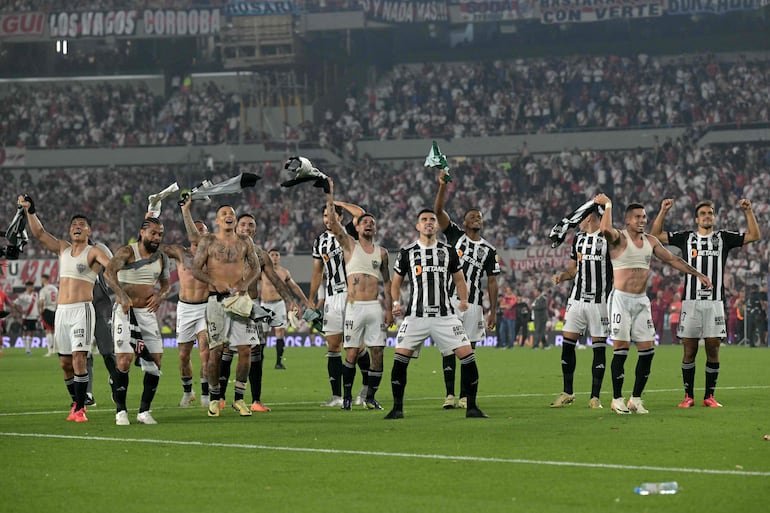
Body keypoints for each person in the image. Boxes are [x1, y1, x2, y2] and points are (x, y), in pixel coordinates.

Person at [594, 194, 712, 415]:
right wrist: (608, 205)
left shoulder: (651, 241)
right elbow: (604, 230)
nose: (642, 220)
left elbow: (673, 259)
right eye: (638, 217)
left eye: (644, 216)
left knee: (647, 351)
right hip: (620, 299)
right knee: (621, 349)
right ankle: (617, 399)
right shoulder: (619, 237)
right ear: (628, 220)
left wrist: (698, 274)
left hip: (641, 301)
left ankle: (636, 399)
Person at [652, 197, 760, 407]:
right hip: (691, 302)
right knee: (689, 350)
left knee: (713, 349)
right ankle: (688, 396)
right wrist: (663, 211)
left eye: (710, 213)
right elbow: (656, 235)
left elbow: (755, 235)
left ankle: (709, 396)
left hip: (715, 302)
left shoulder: (723, 238)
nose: (707, 216)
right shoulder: (686, 238)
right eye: (703, 213)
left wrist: (748, 211)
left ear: (714, 217)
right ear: (696, 219)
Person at [19, 194, 112, 423]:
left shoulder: (93, 251)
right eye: (73, 225)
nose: (77, 227)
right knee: (65, 363)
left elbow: (111, 265)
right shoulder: (63, 248)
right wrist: (30, 211)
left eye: (82, 225)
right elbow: (40, 234)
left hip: (82, 310)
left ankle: (80, 409)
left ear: (89, 231)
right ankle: (76, 401)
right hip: (62, 312)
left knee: (80, 357)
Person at [386, 208, 487, 420]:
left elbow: (459, 279)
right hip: (415, 316)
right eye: (424, 220)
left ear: (437, 225)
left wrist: (464, 300)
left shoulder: (448, 250)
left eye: (432, 219)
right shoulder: (407, 252)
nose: (429, 222)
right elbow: (395, 283)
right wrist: (395, 303)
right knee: (399, 360)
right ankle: (397, 408)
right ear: (417, 226)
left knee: (468, 356)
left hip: (445, 316)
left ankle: (472, 407)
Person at [433, 168, 500, 409]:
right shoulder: (454, 236)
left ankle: (464, 397)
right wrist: (442, 185)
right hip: (450, 300)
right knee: (449, 348)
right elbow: (438, 211)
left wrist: (493, 310)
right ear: (463, 222)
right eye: (472, 215)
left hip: (473, 305)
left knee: (468, 351)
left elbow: (492, 281)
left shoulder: (489, 250)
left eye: (480, 216)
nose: (477, 218)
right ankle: (449, 395)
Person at [326, 177, 393, 410]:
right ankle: (346, 397)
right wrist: (332, 196)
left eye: (372, 223)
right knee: (352, 354)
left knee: (378, 354)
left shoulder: (382, 252)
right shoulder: (349, 245)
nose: (368, 224)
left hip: (375, 307)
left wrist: (390, 309)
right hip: (354, 306)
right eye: (364, 222)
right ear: (356, 227)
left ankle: (370, 397)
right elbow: (334, 223)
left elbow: (387, 282)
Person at [192, 205, 262, 418]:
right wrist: (213, 280)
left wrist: (245, 283)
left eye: (231, 213)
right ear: (217, 220)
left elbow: (256, 268)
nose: (228, 216)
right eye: (224, 214)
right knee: (215, 351)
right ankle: (215, 398)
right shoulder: (208, 242)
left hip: (240, 301)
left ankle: (239, 398)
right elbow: (195, 269)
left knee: (245, 351)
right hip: (217, 301)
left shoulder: (245, 241)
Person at [105, 217, 171, 425]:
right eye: (153, 233)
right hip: (125, 312)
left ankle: (144, 411)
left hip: (148, 314)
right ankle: (121, 411)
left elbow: (167, 284)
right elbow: (108, 272)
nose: (157, 237)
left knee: (156, 361)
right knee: (124, 360)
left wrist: (160, 296)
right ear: (142, 233)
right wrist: (122, 295)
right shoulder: (127, 252)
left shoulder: (161, 257)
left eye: (160, 234)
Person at [230, 212, 299, 413]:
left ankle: (255, 400)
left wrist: (289, 301)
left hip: (250, 305)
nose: (247, 228)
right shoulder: (224, 250)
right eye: (243, 225)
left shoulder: (261, 255)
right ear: (236, 227)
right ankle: (217, 399)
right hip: (225, 304)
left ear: (255, 229)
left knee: (255, 351)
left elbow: (276, 281)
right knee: (222, 353)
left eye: (251, 225)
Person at [549, 209, 612, 409]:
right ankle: (568, 392)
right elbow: (573, 268)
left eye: (580, 220)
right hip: (576, 299)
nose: (578, 225)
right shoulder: (578, 239)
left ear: (588, 217)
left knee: (599, 348)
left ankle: (595, 397)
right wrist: (562, 275)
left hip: (599, 301)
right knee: (568, 344)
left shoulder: (608, 237)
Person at [308, 197, 368, 407]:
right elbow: (317, 272)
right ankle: (336, 396)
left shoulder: (349, 233)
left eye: (332, 215)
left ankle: (367, 388)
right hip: (332, 297)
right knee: (333, 346)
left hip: (353, 296)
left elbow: (360, 213)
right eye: (325, 215)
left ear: (340, 217)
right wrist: (311, 299)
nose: (327, 219)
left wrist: (338, 203)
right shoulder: (320, 240)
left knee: (356, 345)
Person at [162, 196, 211, 408]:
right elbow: (153, 245)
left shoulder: (213, 256)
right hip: (185, 308)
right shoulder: (179, 252)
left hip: (206, 307)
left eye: (203, 230)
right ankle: (188, 391)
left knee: (206, 353)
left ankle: (206, 395)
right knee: (183, 356)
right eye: (195, 229)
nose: (199, 232)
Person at [261, 248, 310, 370]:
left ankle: (278, 362)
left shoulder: (284, 272)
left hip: (279, 304)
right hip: (265, 305)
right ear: (268, 257)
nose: (275, 257)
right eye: (272, 255)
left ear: (279, 257)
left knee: (280, 332)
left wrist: (305, 300)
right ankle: (259, 362)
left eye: (277, 255)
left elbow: (294, 287)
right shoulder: (262, 272)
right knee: (263, 334)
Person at [13, 281, 39, 355]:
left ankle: (29, 349)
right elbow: (14, 304)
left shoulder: (35, 295)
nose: (33, 287)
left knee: (32, 332)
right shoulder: (22, 296)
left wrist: (38, 314)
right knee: (25, 332)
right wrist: (20, 311)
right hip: (26, 317)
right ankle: (26, 349)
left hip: (34, 316)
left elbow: (37, 304)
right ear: (27, 287)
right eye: (31, 286)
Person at [38, 274, 58, 357]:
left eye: (41, 279)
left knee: (47, 330)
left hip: (47, 310)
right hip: (55, 310)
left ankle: (50, 350)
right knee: (53, 330)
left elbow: (41, 301)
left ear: (44, 280)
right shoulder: (55, 288)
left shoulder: (43, 290)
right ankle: (54, 349)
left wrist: (40, 311)